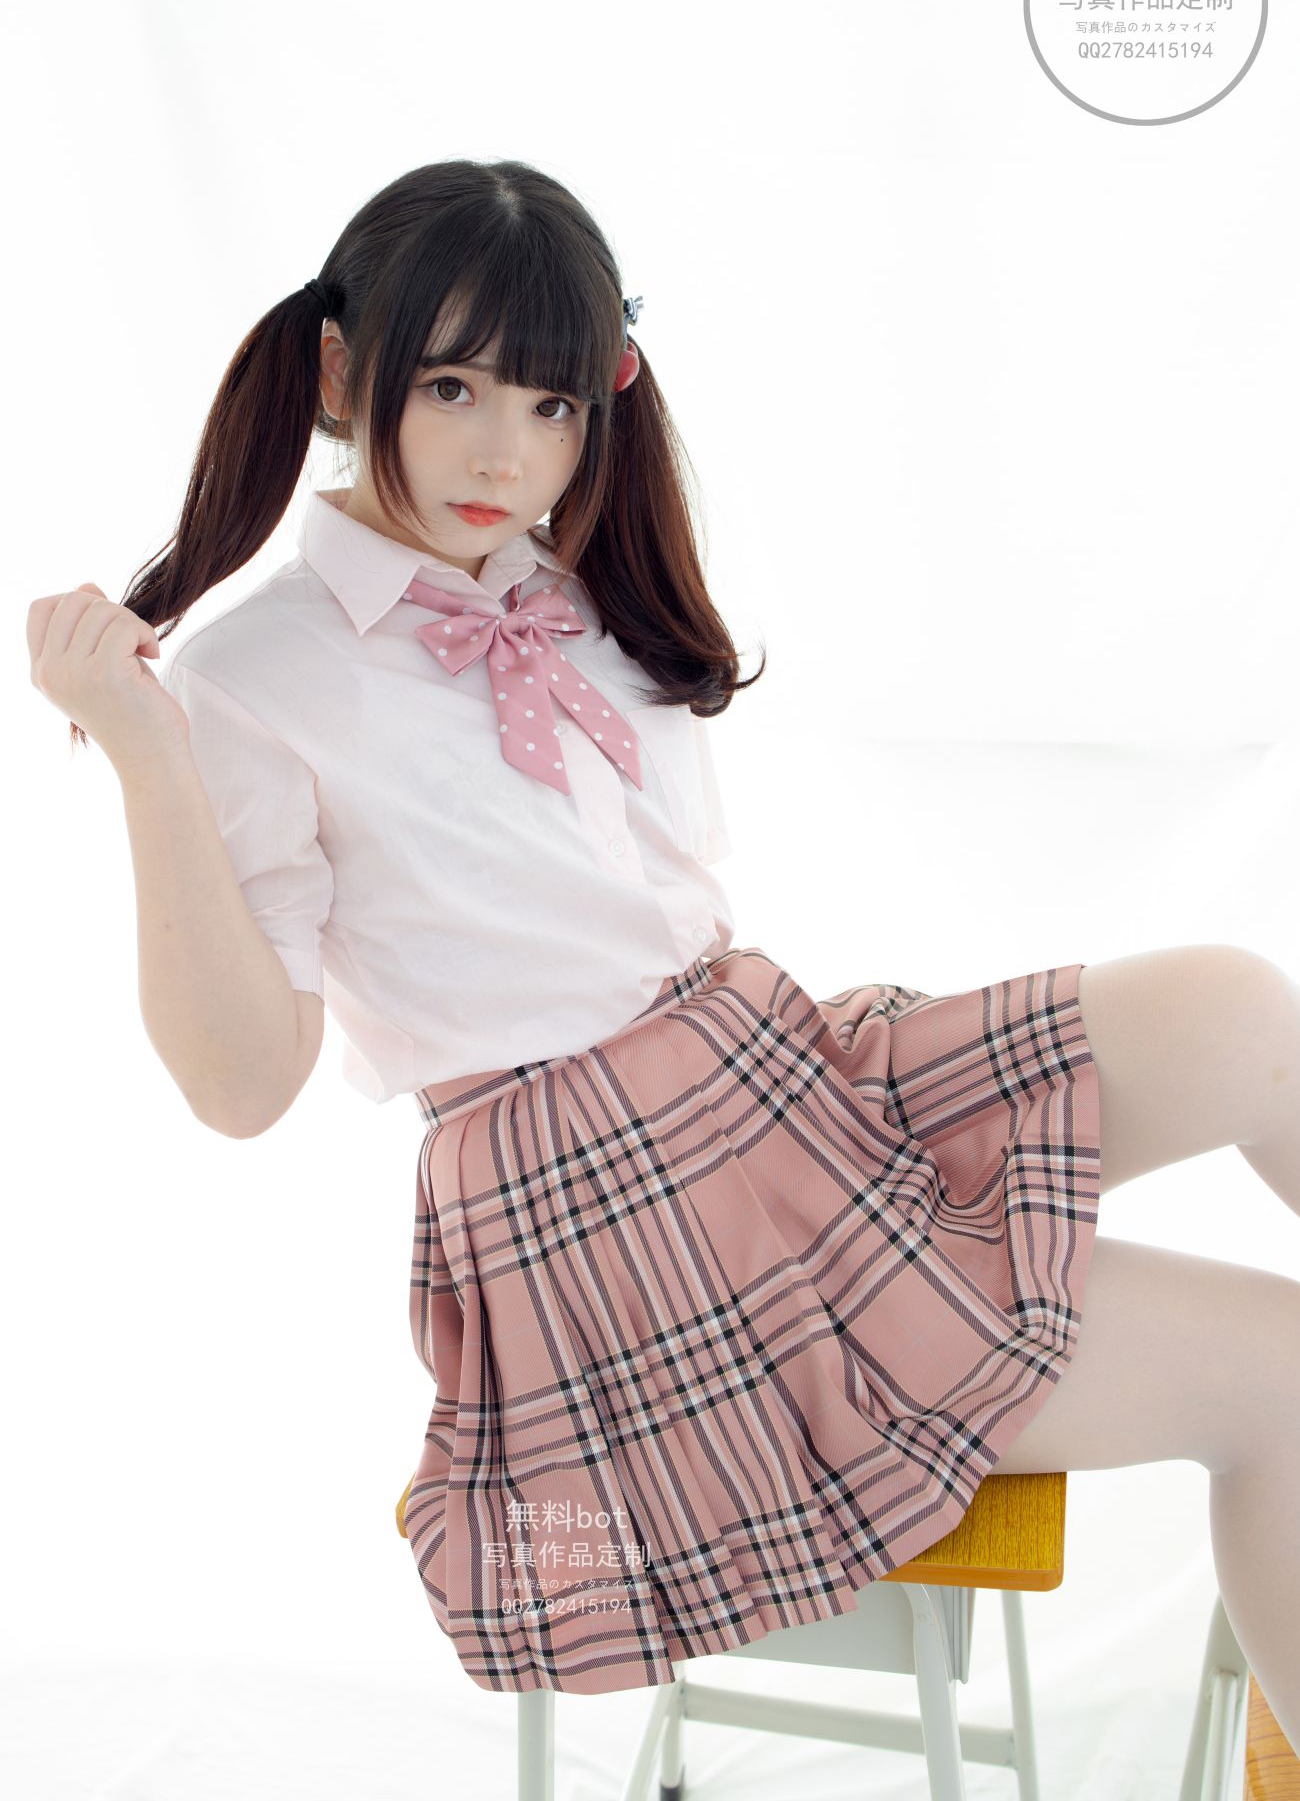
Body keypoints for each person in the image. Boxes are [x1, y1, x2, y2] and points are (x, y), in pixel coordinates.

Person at [26, 161, 1300, 1738]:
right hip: (628, 1226)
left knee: (1243, 1010)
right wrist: (146, 757)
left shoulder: (560, 587)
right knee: (1282, 1377)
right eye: (453, 386)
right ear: (344, 373)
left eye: (553, 403)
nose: (507, 451)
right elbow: (239, 1085)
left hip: (780, 1093)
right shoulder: (253, 675)